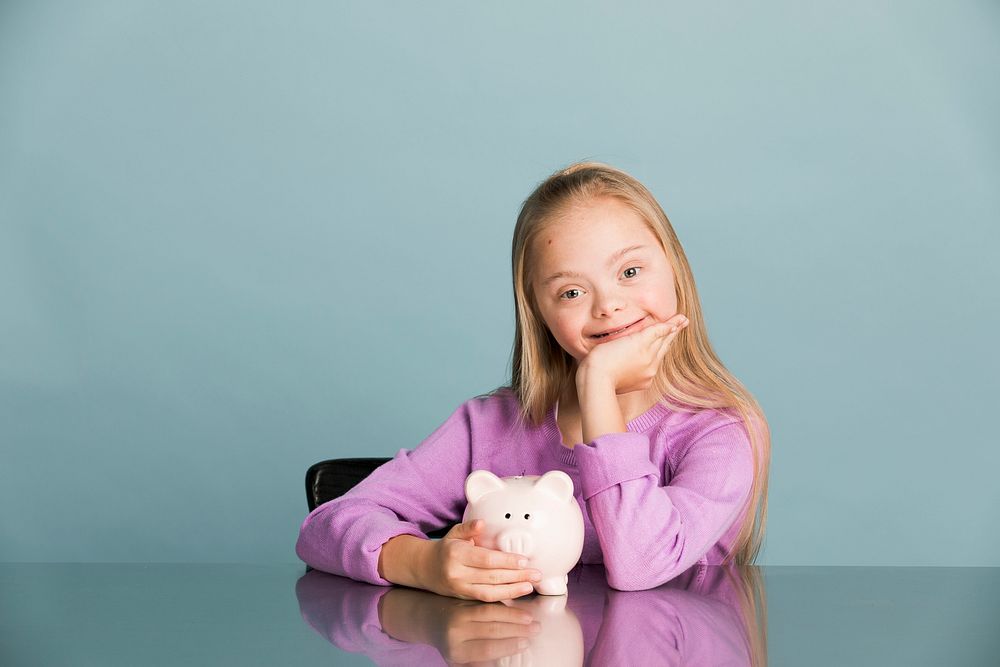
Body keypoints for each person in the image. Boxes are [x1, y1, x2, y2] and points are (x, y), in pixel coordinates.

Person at [296, 161, 771, 602]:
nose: (607, 305)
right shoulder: (492, 426)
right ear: (540, 314)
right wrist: (424, 561)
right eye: (571, 291)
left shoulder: (720, 433)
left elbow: (639, 565)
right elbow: (323, 527)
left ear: (676, 269)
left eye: (630, 271)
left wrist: (598, 383)